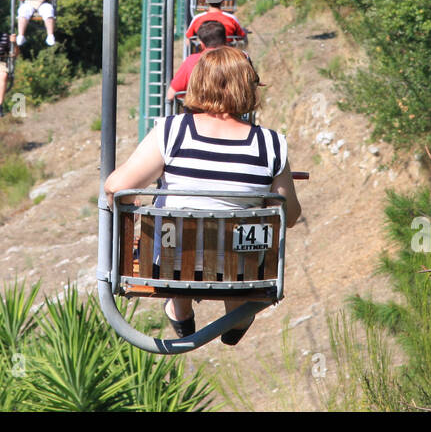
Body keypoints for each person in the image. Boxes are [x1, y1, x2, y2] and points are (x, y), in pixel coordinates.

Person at [104, 46, 301, 344]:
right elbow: (290, 214)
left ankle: (179, 305)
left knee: (170, 219)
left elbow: (116, 187)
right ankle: (238, 313)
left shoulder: (172, 132)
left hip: (166, 265)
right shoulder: (271, 145)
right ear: (248, 86)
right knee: (240, 242)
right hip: (241, 272)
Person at [166, 20, 228, 102]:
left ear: (202, 44)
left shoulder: (191, 61)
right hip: (230, 111)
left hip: (197, 111)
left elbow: (171, 95)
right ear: (225, 40)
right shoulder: (239, 59)